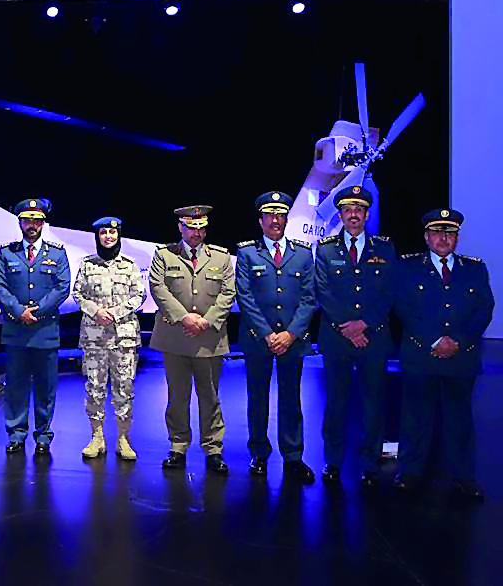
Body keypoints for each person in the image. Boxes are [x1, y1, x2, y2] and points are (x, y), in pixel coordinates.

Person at [393, 209, 494, 500]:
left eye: (449, 233)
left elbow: (484, 309)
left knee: (460, 419)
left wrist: (458, 341)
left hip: (462, 356)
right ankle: (410, 472)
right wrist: (435, 341)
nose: (443, 238)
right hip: (421, 354)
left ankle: (464, 476)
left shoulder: (475, 269)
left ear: (457, 238)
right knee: (415, 417)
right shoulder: (407, 268)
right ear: (426, 237)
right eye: (437, 232)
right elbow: (403, 309)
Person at [314, 185, 395, 487]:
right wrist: (347, 327)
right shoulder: (325, 249)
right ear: (340, 214)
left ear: (366, 214)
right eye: (348, 210)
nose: (353, 215)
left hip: (373, 338)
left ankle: (369, 462)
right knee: (336, 402)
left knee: (373, 403)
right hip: (337, 338)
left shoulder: (385, 248)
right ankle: (333, 462)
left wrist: (365, 325)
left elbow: (389, 292)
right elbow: (323, 291)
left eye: (359, 210)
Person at [235, 191, 318, 482]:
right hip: (259, 339)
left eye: (280, 215)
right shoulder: (247, 253)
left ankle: (293, 457)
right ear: (260, 221)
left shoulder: (304, 254)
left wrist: (291, 334)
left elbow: (310, 298)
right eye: (269, 215)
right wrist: (269, 334)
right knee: (257, 399)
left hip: (292, 342)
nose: (275, 220)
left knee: (291, 400)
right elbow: (244, 297)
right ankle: (259, 453)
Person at [149, 205, 234, 474]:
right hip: (175, 338)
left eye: (200, 228)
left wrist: (205, 321)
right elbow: (158, 288)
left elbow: (227, 293)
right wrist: (184, 318)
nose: (196, 233)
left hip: (209, 338)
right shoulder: (164, 255)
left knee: (210, 397)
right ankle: (178, 445)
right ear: (180, 228)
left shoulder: (221, 257)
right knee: (177, 396)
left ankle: (213, 448)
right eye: (191, 227)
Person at [0, 198, 71, 457]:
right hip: (16, 331)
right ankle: (16, 434)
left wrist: (36, 311)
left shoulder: (57, 253)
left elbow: (62, 287)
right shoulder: (7, 253)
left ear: (43, 223)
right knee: (15, 386)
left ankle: (43, 436)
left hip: (45, 331)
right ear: (20, 223)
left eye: (37, 221)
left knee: (45, 388)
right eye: (28, 220)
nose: (32, 225)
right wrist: (18, 311)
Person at [73, 217, 145, 461]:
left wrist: (114, 313)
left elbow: (139, 295)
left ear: (119, 235)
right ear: (98, 236)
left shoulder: (130, 264)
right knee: (94, 388)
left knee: (124, 388)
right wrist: (96, 311)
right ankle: (97, 437)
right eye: (103, 232)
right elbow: (78, 293)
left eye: (112, 232)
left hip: (123, 337)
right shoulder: (87, 265)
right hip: (94, 338)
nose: (108, 237)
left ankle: (123, 439)